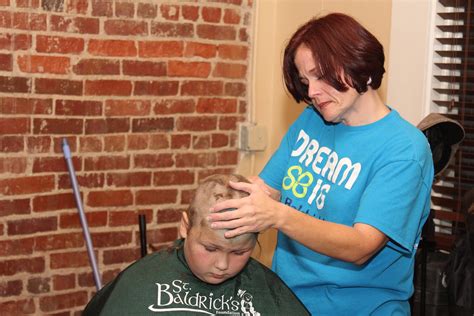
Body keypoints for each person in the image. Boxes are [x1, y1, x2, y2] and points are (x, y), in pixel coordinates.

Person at [208, 13, 435, 315]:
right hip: (286, 301)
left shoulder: (404, 149)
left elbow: (361, 246)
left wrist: (278, 216)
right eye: (305, 81)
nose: (312, 93)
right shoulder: (312, 121)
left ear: (359, 63)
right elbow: (265, 191)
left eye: (320, 75)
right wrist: (209, 212)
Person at [83, 174, 309, 315]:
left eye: (239, 252)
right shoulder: (138, 284)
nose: (222, 264)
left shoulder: (268, 291)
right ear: (185, 227)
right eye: (210, 248)